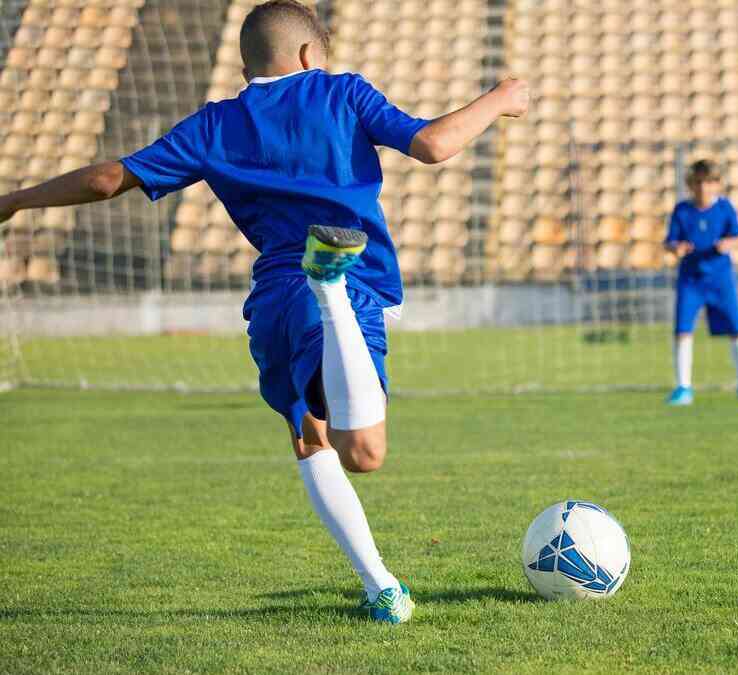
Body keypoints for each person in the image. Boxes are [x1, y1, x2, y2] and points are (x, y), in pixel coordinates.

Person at [0, 0, 529, 624]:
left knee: (311, 440)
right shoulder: (340, 92)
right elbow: (434, 144)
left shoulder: (215, 124)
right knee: (365, 453)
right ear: (310, 55)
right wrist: (499, 98)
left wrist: (13, 201)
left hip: (272, 299)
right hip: (341, 278)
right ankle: (329, 288)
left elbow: (105, 179)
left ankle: (382, 586)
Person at [663, 160, 738, 406]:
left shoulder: (725, 208)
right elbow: (669, 242)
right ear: (691, 184)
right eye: (698, 182)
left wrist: (729, 244)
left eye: (709, 182)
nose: (703, 188)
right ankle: (683, 387)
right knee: (683, 331)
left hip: (721, 279)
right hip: (691, 280)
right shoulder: (682, 211)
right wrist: (676, 248)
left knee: (737, 329)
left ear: (718, 185)